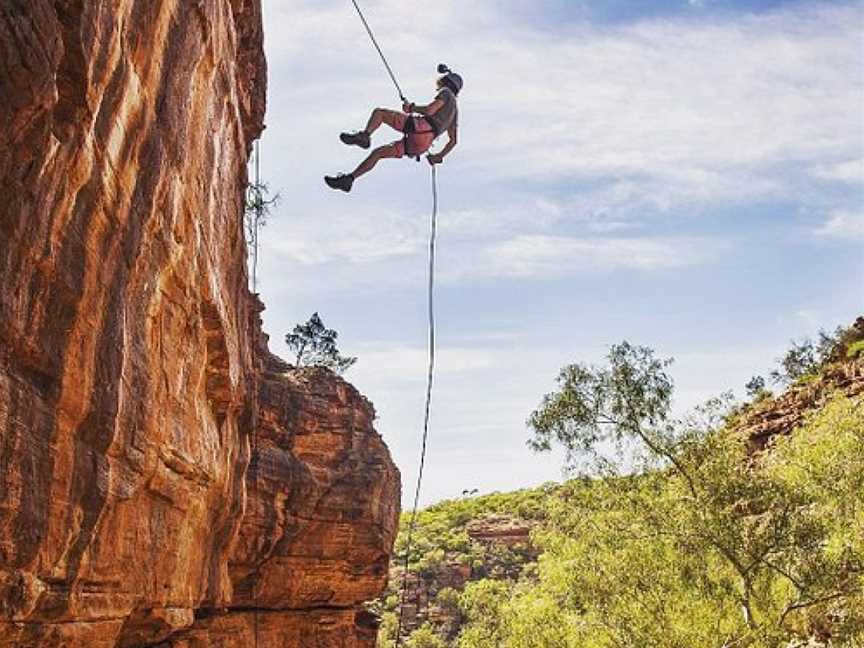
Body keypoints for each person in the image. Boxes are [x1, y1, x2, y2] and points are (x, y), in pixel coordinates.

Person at [325, 66, 462, 193]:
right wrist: (438, 156)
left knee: (380, 113)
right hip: (422, 145)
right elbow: (453, 141)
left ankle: (365, 136)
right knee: (378, 153)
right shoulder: (454, 111)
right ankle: (349, 179)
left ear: (446, 82)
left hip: (419, 128)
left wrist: (411, 108)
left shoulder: (446, 93)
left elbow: (429, 110)